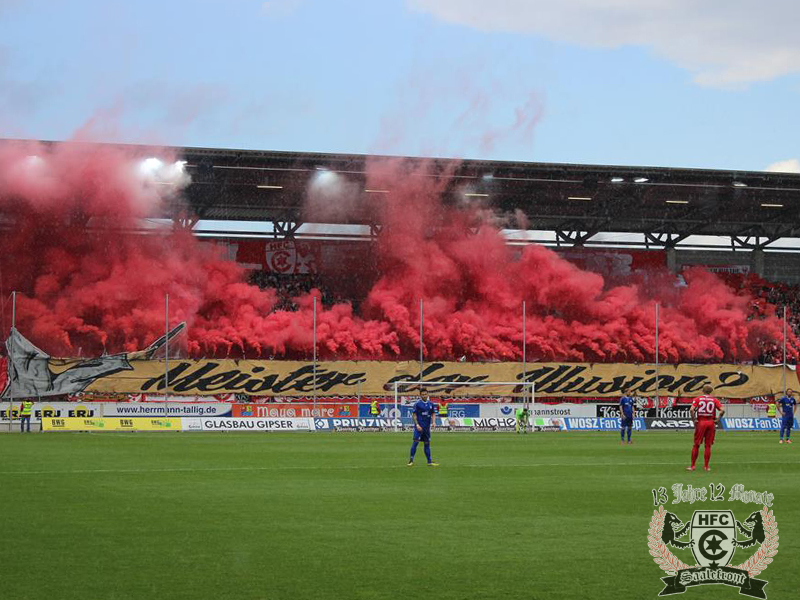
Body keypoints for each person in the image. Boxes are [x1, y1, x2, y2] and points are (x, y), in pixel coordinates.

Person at [687, 385, 725, 472]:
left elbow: (692, 410)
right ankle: (706, 467)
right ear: (710, 391)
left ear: (702, 391)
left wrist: (694, 420)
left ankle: (693, 466)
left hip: (701, 422)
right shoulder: (714, 400)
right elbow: (722, 410)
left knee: (696, 444)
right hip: (711, 423)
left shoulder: (698, 399)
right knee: (708, 446)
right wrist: (718, 419)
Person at [408, 396, 438, 466]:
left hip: (426, 428)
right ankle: (411, 461)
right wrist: (417, 424)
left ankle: (429, 462)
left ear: (427, 395)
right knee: (415, 443)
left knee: (427, 444)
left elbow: (433, 413)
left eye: (425, 394)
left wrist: (434, 422)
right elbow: (414, 415)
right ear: (421, 395)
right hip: (419, 427)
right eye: (423, 394)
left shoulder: (431, 404)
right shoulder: (417, 404)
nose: (424, 395)